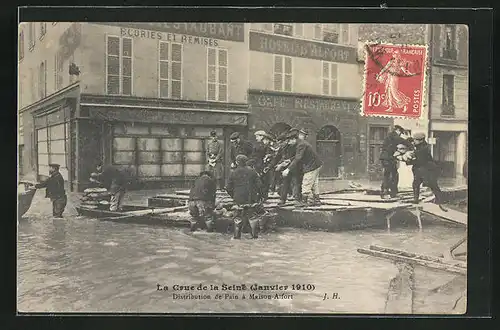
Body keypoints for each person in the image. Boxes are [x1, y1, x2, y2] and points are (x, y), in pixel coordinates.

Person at [408, 133, 448, 211]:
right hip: (421, 169)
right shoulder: (420, 147)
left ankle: (440, 200)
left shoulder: (423, 149)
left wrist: (409, 161)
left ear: (421, 140)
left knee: (432, 184)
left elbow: (419, 160)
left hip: (426, 169)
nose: (414, 141)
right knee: (416, 184)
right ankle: (416, 199)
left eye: (415, 140)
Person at [226, 154, 263, 239]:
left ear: (237, 162)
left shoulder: (233, 172)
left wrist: (233, 195)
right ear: (246, 162)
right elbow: (260, 185)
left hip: (238, 198)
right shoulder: (252, 171)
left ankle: (237, 237)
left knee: (238, 217)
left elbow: (228, 188)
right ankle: (254, 236)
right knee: (252, 217)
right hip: (251, 198)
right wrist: (259, 196)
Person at [283, 130, 323, 206]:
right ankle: (317, 200)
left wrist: (288, 169)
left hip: (311, 165)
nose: (288, 143)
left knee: (306, 182)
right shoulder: (301, 143)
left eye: (289, 141)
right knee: (314, 183)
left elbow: (298, 158)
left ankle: (304, 202)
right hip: (316, 164)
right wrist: (289, 160)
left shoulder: (300, 145)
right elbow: (298, 156)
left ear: (293, 139)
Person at [379, 125, 411, 198]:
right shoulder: (393, 135)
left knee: (390, 175)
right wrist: (410, 144)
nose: (400, 134)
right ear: (397, 130)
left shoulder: (391, 137)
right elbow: (401, 140)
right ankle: (388, 192)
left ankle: (388, 192)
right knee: (392, 175)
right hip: (388, 158)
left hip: (387, 158)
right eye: (400, 132)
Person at [251, 130, 274, 201]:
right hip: (257, 165)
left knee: (264, 181)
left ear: (262, 136)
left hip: (264, 165)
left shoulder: (265, 145)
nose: (256, 138)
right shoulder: (257, 145)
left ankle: (264, 196)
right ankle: (260, 196)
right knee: (259, 181)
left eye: (257, 136)